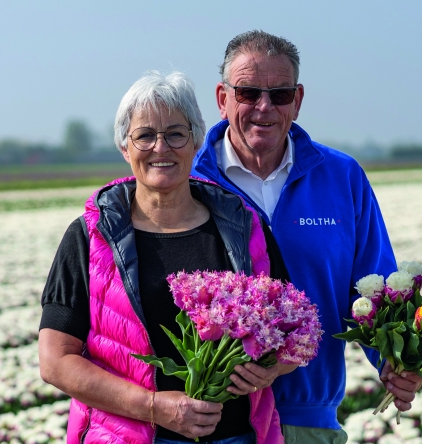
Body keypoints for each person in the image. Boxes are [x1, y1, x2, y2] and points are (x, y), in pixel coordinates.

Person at [190, 30, 422, 444]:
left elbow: (375, 289)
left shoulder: (341, 177)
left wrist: (395, 360)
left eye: (279, 94)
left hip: (309, 420)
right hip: (210, 420)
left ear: (297, 100)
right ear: (222, 98)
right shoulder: (189, 180)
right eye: (248, 93)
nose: (264, 107)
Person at [38, 71, 291, 444]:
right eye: (144, 136)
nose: (160, 148)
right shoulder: (90, 237)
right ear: (125, 148)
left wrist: (273, 368)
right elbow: (55, 362)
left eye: (175, 134)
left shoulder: (244, 228)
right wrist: (153, 407)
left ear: (196, 141)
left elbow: (292, 329)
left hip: (239, 436)